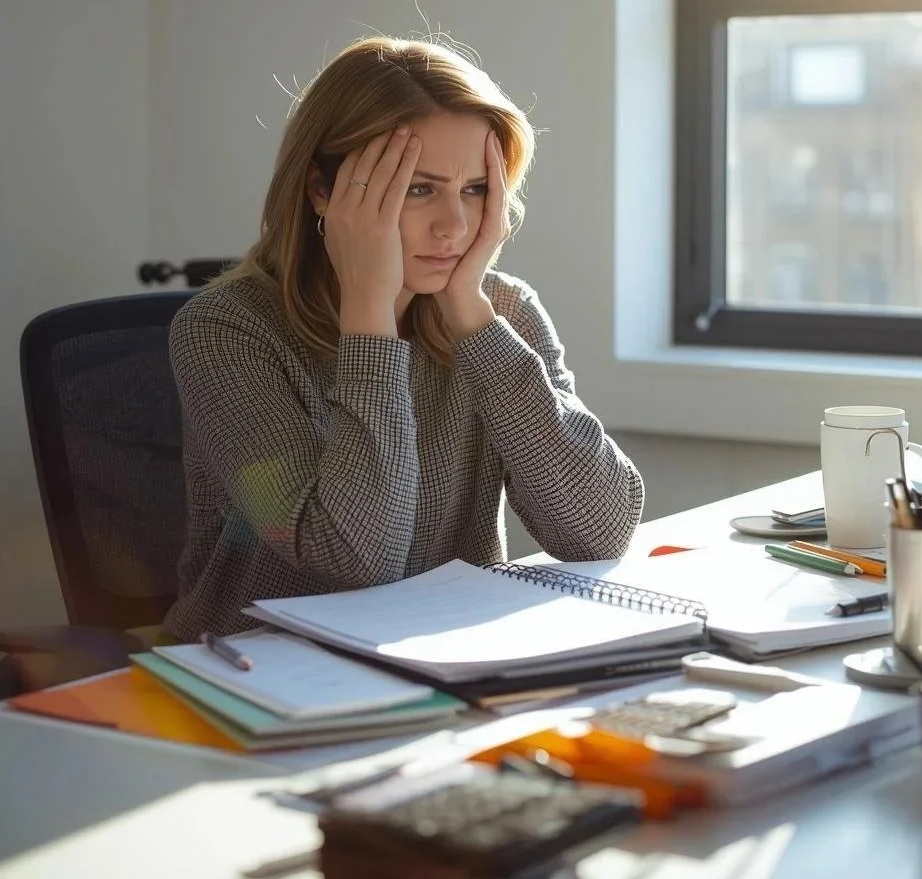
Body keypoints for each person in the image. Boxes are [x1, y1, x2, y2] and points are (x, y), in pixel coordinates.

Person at [161, 35, 644, 641]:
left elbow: (597, 532)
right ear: (321, 189)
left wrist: (470, 313)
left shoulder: (500, 313)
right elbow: (357, 563)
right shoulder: (225, 332)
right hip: (260, 673)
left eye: (474, 190)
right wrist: (370, 313)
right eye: (418, 189)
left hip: (445, 660)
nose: (456, 226)